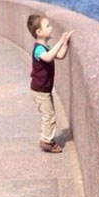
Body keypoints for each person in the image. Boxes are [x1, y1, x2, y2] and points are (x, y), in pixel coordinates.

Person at [26, 14, 73, 153]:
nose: (51, 28)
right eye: (47, 26)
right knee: (49, 116)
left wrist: (65, 43)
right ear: (39, 32)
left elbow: (60, 55)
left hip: (45, 89)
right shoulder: (38, 49)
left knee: (48, 115)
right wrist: (60, 41)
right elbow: (48, 57)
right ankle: (47, 141)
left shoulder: (46, 46)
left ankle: (46, 138)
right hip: (39, 90)